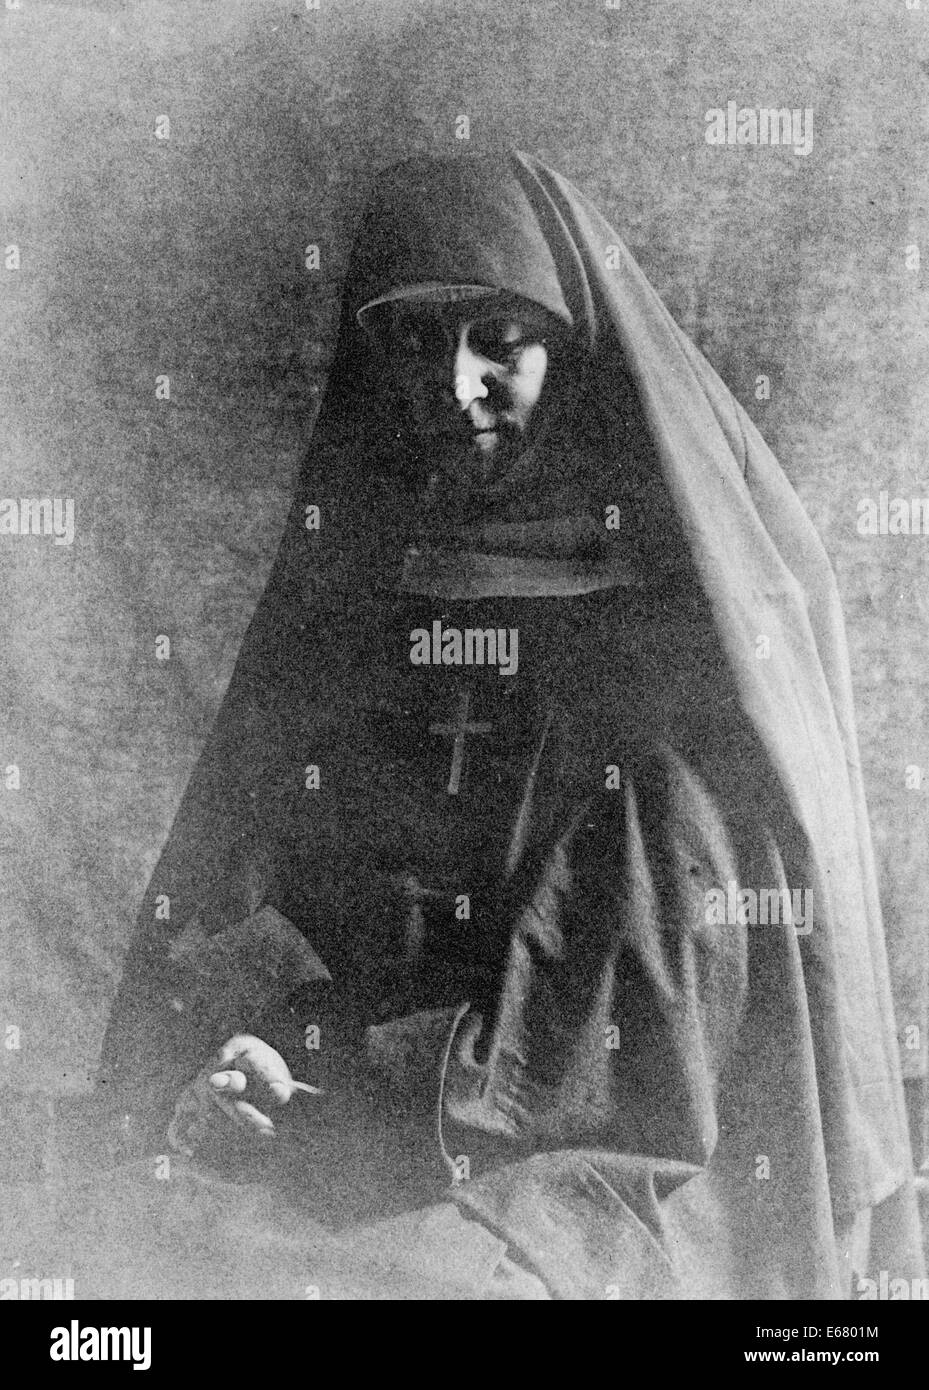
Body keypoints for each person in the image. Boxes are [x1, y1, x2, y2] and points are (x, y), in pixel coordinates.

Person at [98, 151, 925, 1299]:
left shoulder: (671, 626)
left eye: (499, 340)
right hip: (363, 1089)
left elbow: (632, 1002)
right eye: (412, 343)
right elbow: (266, 874)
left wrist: (339, 1079)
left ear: (574, 348)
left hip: (592, 1135)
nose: (453, 387)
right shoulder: (373, 590)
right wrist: (251, 1052)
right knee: (132, 1251)